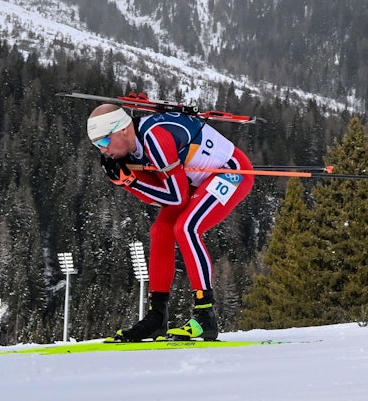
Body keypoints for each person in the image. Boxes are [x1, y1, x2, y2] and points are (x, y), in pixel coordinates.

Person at [87, 103, 254, 341]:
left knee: (186, 228)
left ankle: (206, 315)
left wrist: (131, 182)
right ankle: (157, 317)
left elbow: (176, 197)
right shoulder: (132, 149)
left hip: (232, 172)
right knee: (161, 231)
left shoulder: (155, 138)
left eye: (103, 142)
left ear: (123, 129)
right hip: (196, 182)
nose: (103, 150)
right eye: (96, 145)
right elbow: (162, 195)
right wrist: (129, 182)